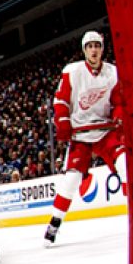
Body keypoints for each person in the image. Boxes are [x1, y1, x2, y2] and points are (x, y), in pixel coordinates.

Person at [44, 30, 127, 244]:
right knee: (71, 180)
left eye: (97, 46)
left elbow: (118, 102)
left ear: (102, 49)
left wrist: (118, 115)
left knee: (126, 164)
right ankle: (54, 223)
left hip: (106, 133)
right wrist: (62, 122)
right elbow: (60, 101)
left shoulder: (113, 73)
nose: (94, 50)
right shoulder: (72, 72)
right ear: (84, 50)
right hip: (81, 135)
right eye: (90, 46)